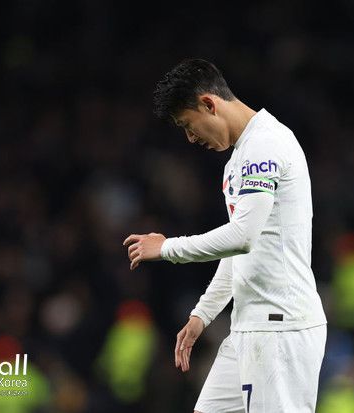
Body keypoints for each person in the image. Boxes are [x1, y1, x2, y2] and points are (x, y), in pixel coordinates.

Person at [123, 58, 327, 412]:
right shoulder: (238, 159)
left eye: (188, 125)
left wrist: (167, 247)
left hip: (279, 329)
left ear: (208, 104)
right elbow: (241, 252)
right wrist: (202, 314)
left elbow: (242, 236)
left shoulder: (265, 144)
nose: (190, 138)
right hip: (249, 326)